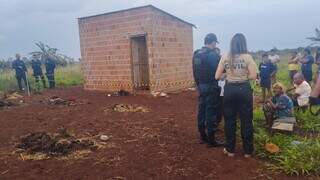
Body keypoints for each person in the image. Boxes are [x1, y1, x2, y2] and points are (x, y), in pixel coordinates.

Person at [215, 33, 257, 158]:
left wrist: (227, 75)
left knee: (229, 120)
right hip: (244, 89)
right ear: (243, 43)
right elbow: (253, 76)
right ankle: (248, 151)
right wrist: (242, 75)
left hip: (229, 90)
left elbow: (217, 76)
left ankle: (230, 150)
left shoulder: (225, 57)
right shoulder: (247, 57)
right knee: (246, 120)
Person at [192, 33, 224, 148]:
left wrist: (198, 85)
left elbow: (194, 72)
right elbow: (219, 71)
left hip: (201, 86)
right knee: (210, 113)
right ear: (213, 42)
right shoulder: (212, 55)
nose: (215, 45)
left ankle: (202, 136)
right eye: (215, 43)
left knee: (201, 111)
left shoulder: (196, 53)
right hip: (211, 86)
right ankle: (211, 140)